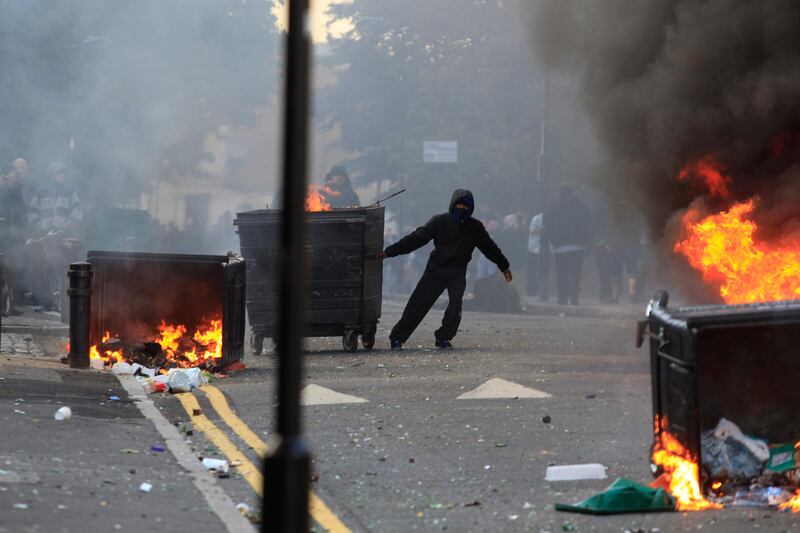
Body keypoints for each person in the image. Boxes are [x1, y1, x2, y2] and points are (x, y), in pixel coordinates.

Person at [378, 189, 512, 349]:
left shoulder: (475, 227)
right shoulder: (439, 221)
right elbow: (415, 239)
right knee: (418, 305)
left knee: (455, 307)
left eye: (465, 206)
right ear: (452, 204)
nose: (462, 208)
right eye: (459, 204)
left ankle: (443, 338)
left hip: (457, 273)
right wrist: (389, 252)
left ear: (471, 207)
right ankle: (398, 338)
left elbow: (490, 248)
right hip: (435, 271)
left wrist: (504, 266)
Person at [542, 182, 592, 306]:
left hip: (560, 246)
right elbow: (588, 225)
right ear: (572, 191)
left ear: (560, 192)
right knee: (576, 272)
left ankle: (562, 297)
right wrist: (589, 243)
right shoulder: (581, 206)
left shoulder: (553, 206)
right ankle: (574, 296)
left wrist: (544, 241)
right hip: (578, 245)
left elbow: (547, 224)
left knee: (562, 273)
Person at [29, 163, 82, 236]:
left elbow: (77, 210)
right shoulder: (40, 192)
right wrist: (39, 225)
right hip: (44, 235)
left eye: (63, 173)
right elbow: (32, 211)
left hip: (64, 235)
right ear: (51, 174)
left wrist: (69, 225)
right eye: (59, 173)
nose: (62, 175)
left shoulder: (70, 191)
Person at [526, 212, 543, 297]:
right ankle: (531, 291)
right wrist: (541, 230)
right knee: (533, 271)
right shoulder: (537, 218)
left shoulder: (540, 217)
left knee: (540, 271)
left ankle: (538, 290)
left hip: (542, 249)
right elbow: (531, 231)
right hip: (534, 249)